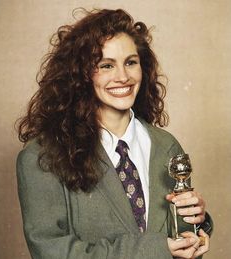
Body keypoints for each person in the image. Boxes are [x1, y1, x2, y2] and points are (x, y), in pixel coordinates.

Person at [16, 8, 212, 259]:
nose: (123, 77)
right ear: (80, 74)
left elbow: (171, 233)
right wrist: (156, 249)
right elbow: (51, 252)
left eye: (130, 62)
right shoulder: (41, 156)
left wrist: (197, 224)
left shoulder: (167, 145)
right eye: (106, 65)